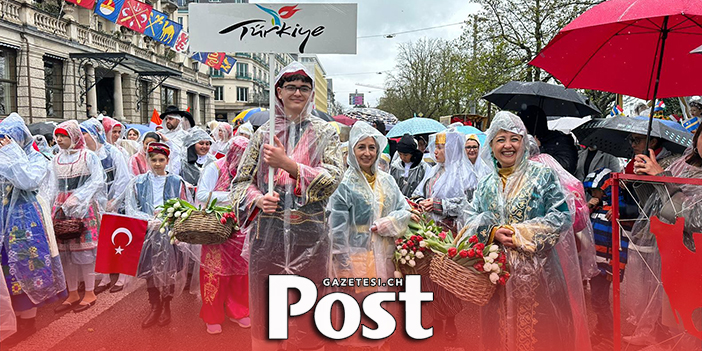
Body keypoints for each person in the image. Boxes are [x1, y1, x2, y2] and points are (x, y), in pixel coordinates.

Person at [231, 62, 343, 351]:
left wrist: (289, 165)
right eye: (291, 87)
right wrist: (256, 198)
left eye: (304, 88)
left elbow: (333, 180)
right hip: (266, 233)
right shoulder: (263, 134)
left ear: (311, 93)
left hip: (311, 235)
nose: (298, 92)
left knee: (308, 311)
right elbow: (240, 182)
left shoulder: (325, 133)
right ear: (278, 92)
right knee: (267, 311)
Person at [459, 111, 589, 351]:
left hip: (540, 276)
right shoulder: (485, 184)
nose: (507, 145)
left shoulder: (543, 175)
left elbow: (562, 216)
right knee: (497, 336)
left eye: (514, 138)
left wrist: (520, 234)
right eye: (500, 139)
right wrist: (491, 231)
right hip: (495, 275)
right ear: (491, 145)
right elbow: (467, 220)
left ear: (524, 142)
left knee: (542, 336)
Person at [328, 121, 412, 349]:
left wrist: (390, 222)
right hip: (355, 258)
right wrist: (343, 265)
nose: (367, 153)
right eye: (361, 147)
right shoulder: (343, 186)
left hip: (383, 254)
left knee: (378, 308)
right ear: (352, 151)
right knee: (354, 311)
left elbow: (404, 209)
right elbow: (336, 231)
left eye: (372, 148)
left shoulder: (388, 181)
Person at [619, 125, 702, 346]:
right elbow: (656, 206)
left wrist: (663, 179)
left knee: (691, 323)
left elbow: (693, 219)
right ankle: (654, 331)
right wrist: (645, 180)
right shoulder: (682, 163)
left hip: (694, 258)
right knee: (671, 312)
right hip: (671, 249)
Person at [0, 114, 66, 334]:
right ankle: (12, 318)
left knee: (28, 267)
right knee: (6, 268)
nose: (5, 142)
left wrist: (12, 153)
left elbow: (26, 180)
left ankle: (28, 321)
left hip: (27, 221)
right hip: (3, 219)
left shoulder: (35, 158)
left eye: (9, 137)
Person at [411, 128, 475, 340]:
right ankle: (437, 317)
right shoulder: (434, 170)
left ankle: (450, 320)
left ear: (451, 148)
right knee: (431, 279)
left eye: (440, 147)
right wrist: (418, 203)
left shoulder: (464, 173)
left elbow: (469, 206)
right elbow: (420, 192)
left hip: (451, 235)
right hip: (431, 233)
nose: (435, 151)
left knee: (447, 280)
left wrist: (439, 205)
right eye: (435, 146)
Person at [122, 142, 189, 328]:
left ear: (168, 160)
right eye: (154, 160)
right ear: (147, 160)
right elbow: (131, 207)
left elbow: (185, 205)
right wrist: (146, 220)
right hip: (148, 232)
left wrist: (170, 219)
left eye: (161, 160)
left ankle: (166, 304)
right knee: (150, 271)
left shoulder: (177, 181)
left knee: (169, 270)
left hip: (170, 233)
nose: (157, 164)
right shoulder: (138, 182)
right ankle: (155, 305)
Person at [49, 120, 106, 314]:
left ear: (73, 136)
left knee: (84, 252)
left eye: (63, 136)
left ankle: (89, 291)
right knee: (66, 253)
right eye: (57, 136)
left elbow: (98, 180)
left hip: (83, 207)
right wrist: (52, 208)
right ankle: (72, 292)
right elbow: (51, 185)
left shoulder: (87, 156)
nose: (59, 140)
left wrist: (78, 198)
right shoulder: (56, 159)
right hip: (61, 209)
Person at [195, 136, 251, 335]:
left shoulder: (248, 173)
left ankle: (238, 311)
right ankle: (213, 315)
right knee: (214, 273)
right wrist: (234, 197)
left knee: (240, 272)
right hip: (217, 227)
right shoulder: (215, 168)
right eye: (241, 155)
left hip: (241, 227)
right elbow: (202, 195)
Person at [79, 119, 131, 294]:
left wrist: (114, 201)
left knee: (120, 239)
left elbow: (124, 178)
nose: (81, 137)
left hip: (114, 204)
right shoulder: (84, 154)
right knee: (102, 241)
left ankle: (123, 276)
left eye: (84, 133)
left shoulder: (112, 152)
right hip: (94, 205)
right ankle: (105, 275)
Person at [583, 168, 631, 344]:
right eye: (591, 191)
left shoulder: (618, 210)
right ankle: (602, 330)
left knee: (599, 300)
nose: (594, 194)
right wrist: (590, 204)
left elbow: (624, 236)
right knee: (598, 300)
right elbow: (580, 218)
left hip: (607, 264)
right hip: (595, 261)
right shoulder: (597, 207)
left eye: (597, 191)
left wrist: (616, 268)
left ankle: (610, 335)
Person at [518, 105, 579, 175]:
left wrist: (539, 150)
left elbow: (566, 166)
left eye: (522, 125)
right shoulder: (525, 140)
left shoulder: (560, 140)